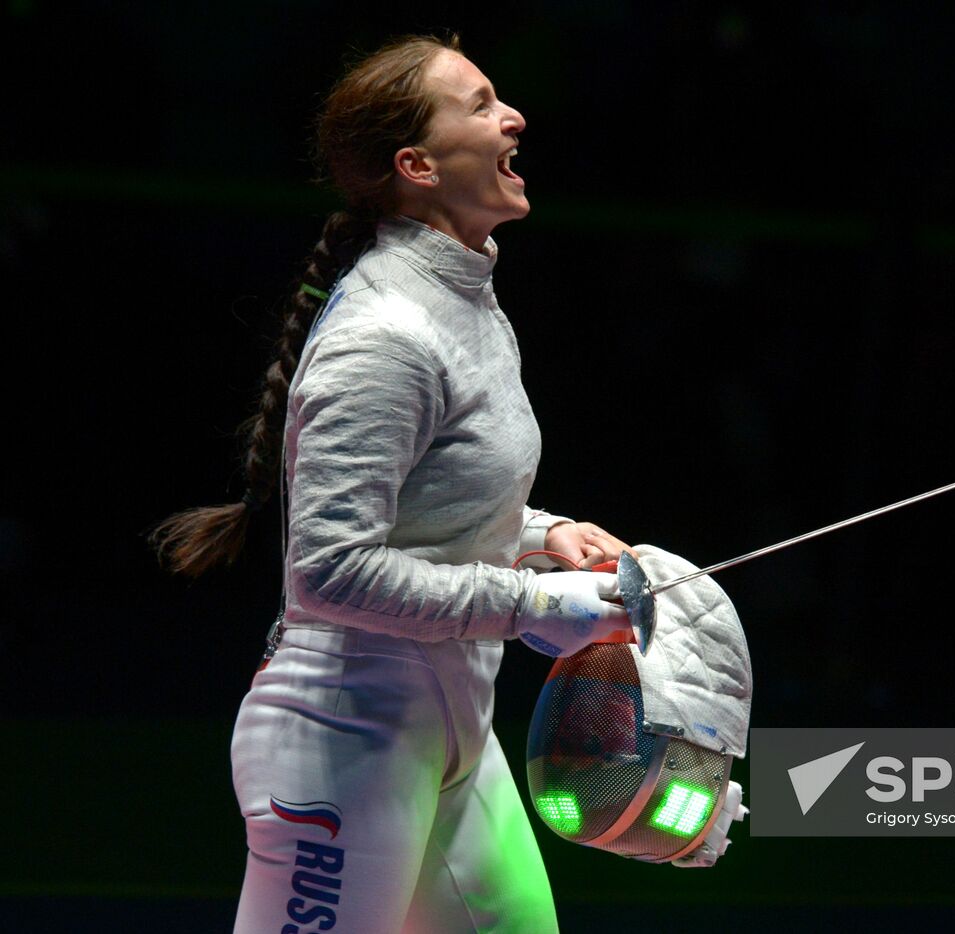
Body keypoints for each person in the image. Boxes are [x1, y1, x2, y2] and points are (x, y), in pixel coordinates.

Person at [151, 33, 633, 932]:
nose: (513, 116)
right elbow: (328, 570)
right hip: (345, 737)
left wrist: (539, 536)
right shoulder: (385, 332)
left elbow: (434, 502)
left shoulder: (468, 298)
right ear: (415, 163)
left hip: (449, 727)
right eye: (482, 103)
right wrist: (529, 603)